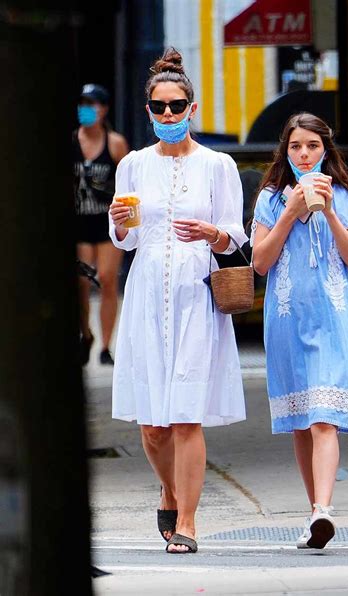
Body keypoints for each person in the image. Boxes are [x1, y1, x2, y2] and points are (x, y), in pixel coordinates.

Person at [108, 48, 247, 554]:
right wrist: (120, 224)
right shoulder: (132, 165)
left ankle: (187, 520)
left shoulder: (218, 164)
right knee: (152, 424)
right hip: (146, 293)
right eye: (159, 107)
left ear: (192, 107)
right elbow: (124, 240)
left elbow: (236, 235)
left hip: (196, 295)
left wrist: (213, 232)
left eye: (177, 105)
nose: (169, 114)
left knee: (186, 415)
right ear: (149, 111)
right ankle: (168, 488)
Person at [251, 113, 348, 549]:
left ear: (326, 150)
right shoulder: (269, 199)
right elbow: (260, 263)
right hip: (286, 317)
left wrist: (330, 212)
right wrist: (291, 213)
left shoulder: (344, 195)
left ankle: (323, 509)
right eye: (297, 146)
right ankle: (313, 511)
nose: (304, 154)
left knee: (323, 419)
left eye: (313, 146)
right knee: (301, 420)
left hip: (332, 316)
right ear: (286, 151)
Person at [74, 83, 129, 365]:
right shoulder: (72, 140)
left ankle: (106, 345)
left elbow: (127, 181)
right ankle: (86, 334)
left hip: (106, 222)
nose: (87, 109)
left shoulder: (115, 143)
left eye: (92, 104)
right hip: (80, 222)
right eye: (83, 103)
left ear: (104, 108)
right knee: (82, 282)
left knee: (107, 279)